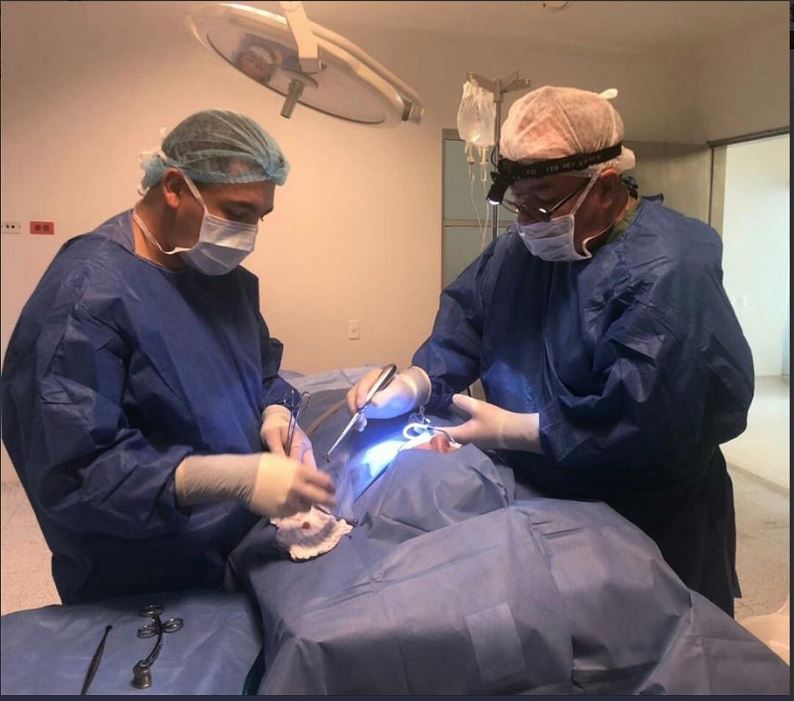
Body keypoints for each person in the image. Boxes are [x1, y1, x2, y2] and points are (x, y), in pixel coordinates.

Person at [347, 86, 753, 617]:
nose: (527, 220)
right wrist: (416, 382)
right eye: (519, 202)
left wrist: (524, 430)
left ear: (604, 187)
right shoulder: (519, 252)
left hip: (647, 511)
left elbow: (659, 417)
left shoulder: (670, 271)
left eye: (543, 200)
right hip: (540, 494)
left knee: (655, 639)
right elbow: (468, 320)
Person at [1, 109, 335, 604]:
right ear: (175, 187)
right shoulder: (84, 298)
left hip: (236, 546)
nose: (248, 233)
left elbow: (259, 366)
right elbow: (71, 475)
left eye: (259, 218)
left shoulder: (219, 280)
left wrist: (275, 412)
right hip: (143, 575)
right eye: (237, 212)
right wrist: (225, 478)